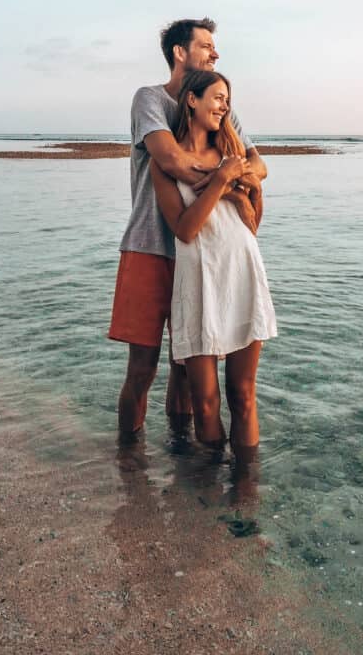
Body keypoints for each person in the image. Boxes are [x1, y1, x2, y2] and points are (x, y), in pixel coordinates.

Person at [108, 18, 266, 438]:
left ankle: (183, 459)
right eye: (207, 45)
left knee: (186, 369)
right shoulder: (151, 100)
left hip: (199, 258)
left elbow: (259, 166)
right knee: (142, 369)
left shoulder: (220, 107)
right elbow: (172, 161)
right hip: (148, 246)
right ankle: (129, 462)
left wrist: (234, 179)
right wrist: (225, 176)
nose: (215, 53)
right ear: (180, 52)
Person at [150, 70, 277, 452]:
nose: (225, 106)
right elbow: (185, 230)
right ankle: (206, 500)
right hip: (198, 281)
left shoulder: (234, 154)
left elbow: (252, 224)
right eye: (218, 97)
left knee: (242, 396)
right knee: (205, 404)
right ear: (192, 99)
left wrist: (242, 195)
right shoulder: (167, 163)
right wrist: (222, 182)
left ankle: (245, 491)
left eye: (228, 99)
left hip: (241, 273)